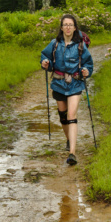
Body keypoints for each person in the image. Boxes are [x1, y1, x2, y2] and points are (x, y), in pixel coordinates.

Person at [40, 14, 93, 165]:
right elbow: (45, 57)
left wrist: (86, 71)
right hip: (58, 83)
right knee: (63, 116)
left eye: (71, 25)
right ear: (61, 27)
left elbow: (88, 63)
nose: (68, 27)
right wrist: (45, 63)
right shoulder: (54, 44)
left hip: (75, 83)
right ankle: (69, 139)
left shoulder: (80, 45)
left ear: (75, 27)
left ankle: (72, 154)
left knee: (71, 115)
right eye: (65, 25)